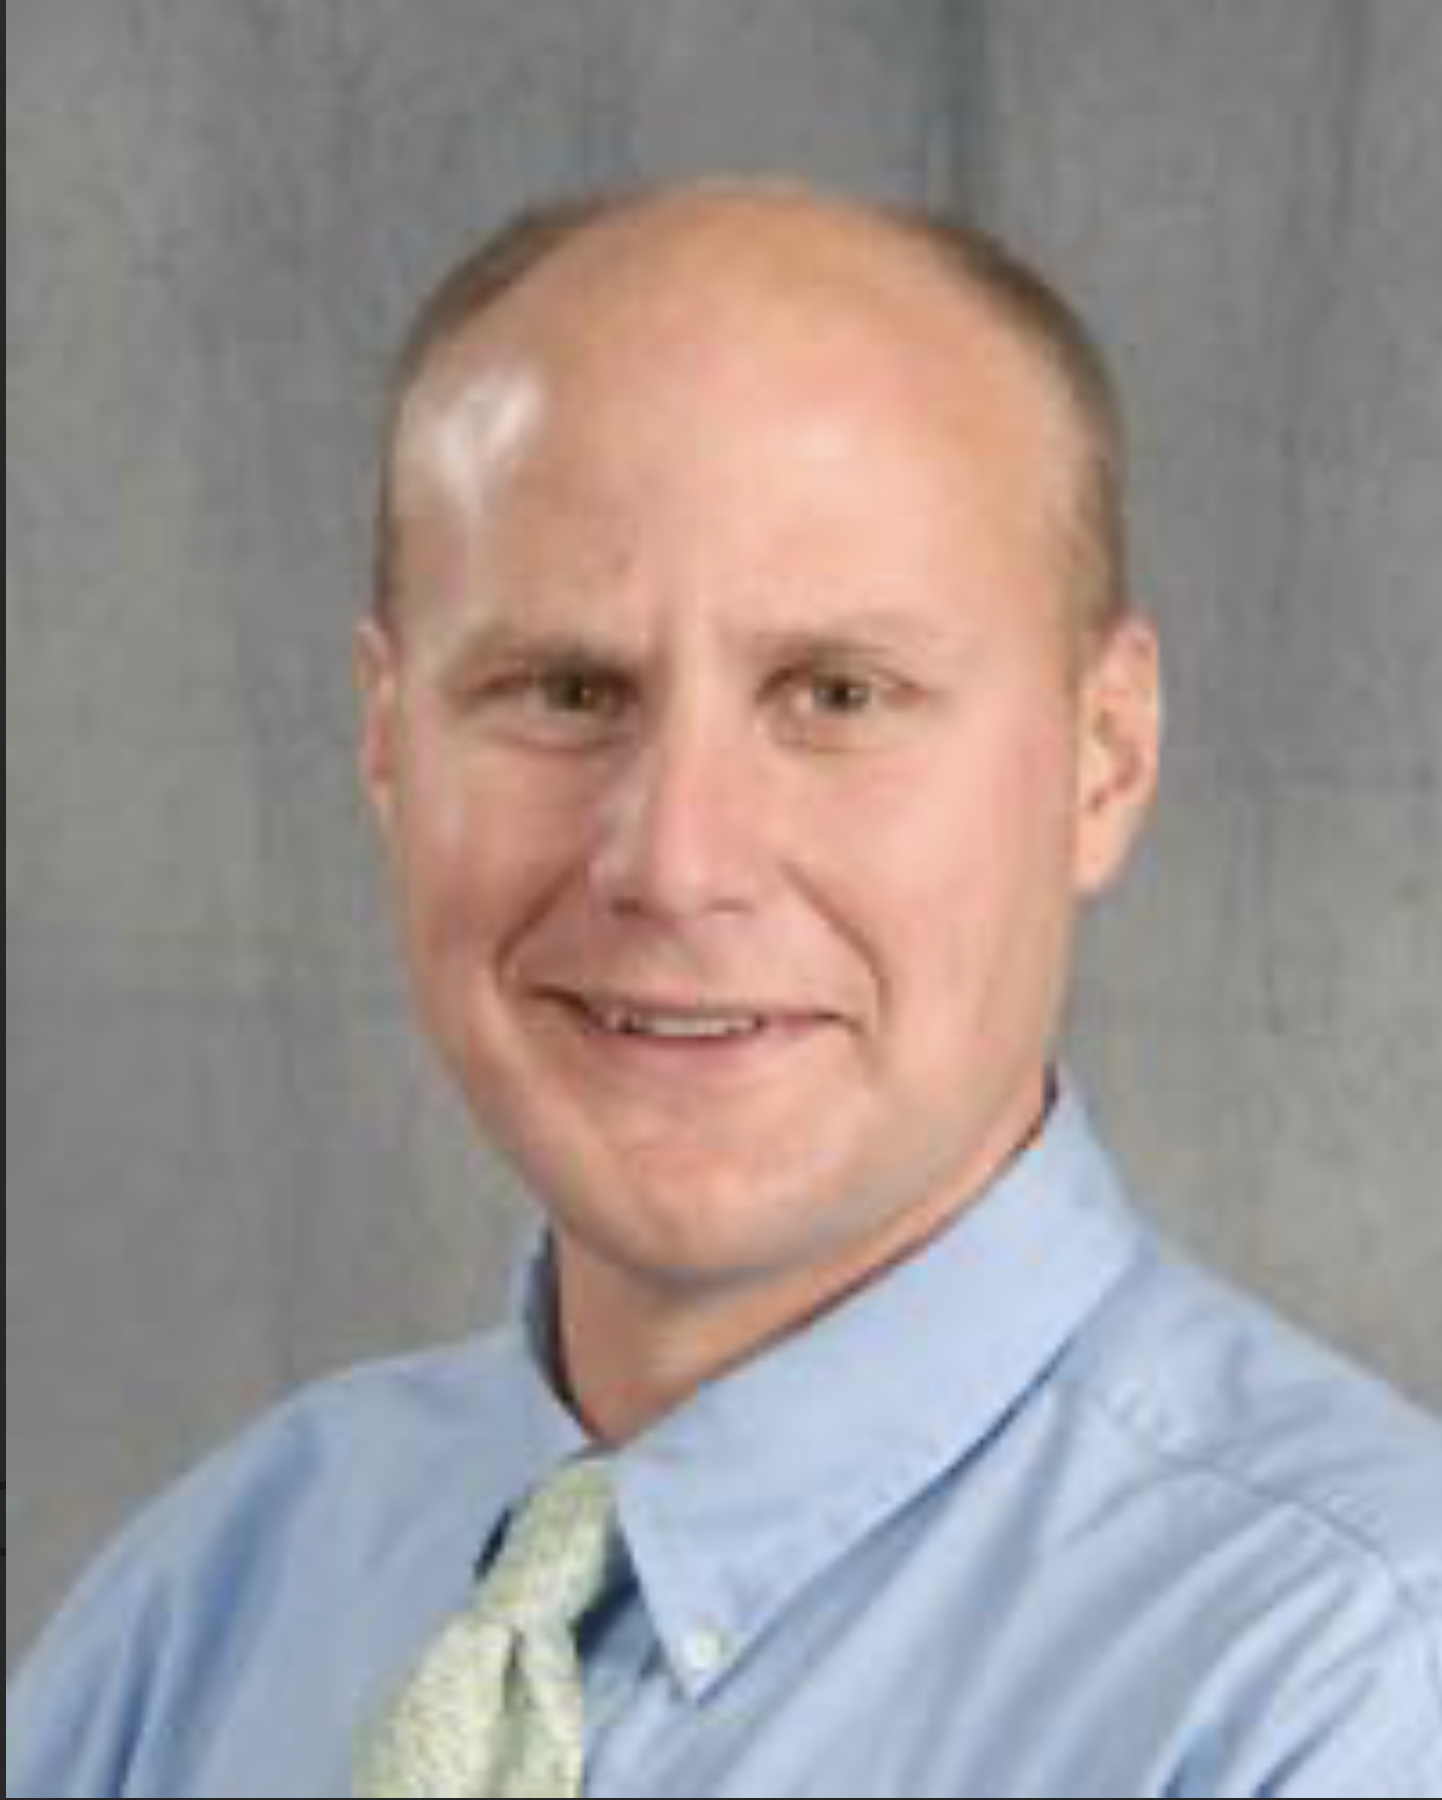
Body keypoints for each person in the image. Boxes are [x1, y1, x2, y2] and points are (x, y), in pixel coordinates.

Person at [6, 177, 1440, 1800]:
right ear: (387, 739)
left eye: (838, 693)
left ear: (1103, 760)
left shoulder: (1355, 1686)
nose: (676, 860)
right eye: (561, 689)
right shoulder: (209, 1605)